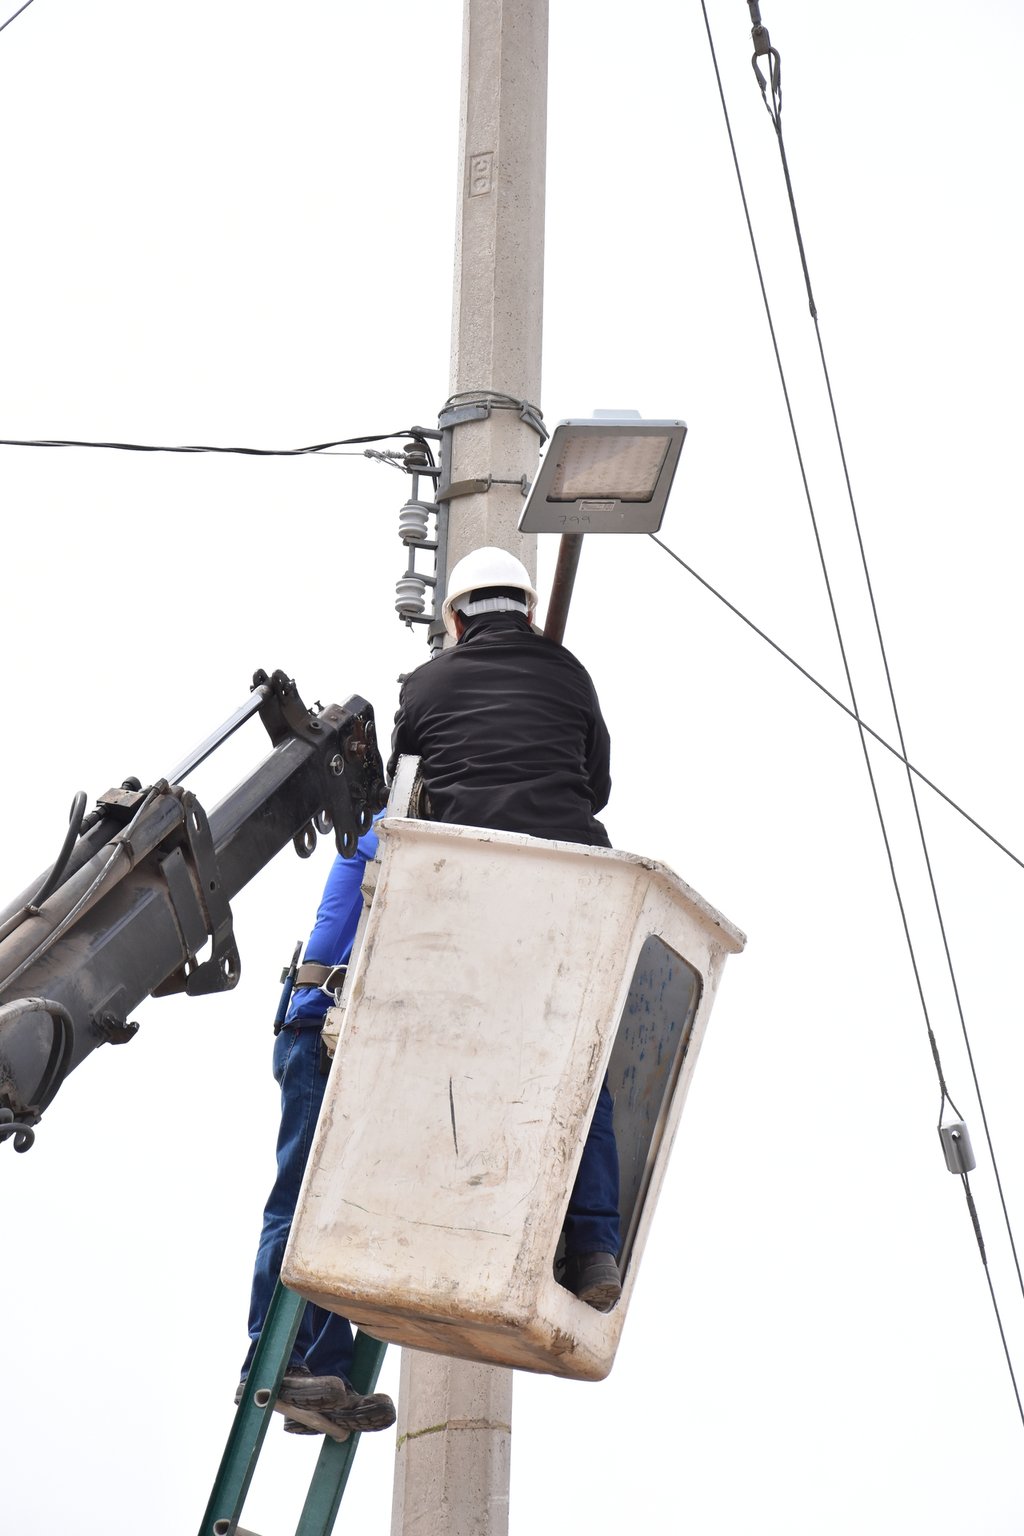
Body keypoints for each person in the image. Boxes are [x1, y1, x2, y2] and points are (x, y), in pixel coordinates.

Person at [388, 545, 622, 1311]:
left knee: (464, 1056)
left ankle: (466, 1219)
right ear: (524, 609)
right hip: (573, 884)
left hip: (470, 893)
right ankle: (593, 1249)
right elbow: (599, 784)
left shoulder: (424, 687)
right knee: (582, 1064)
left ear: (454, 619)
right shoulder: (570, 672)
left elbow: (401, 790)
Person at [237, 820, 396, 1434]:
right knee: (298, 1202)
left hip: (351, 1043)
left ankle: (324, 1378)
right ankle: (268, 1360)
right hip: (318, 1036)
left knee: (342, 1216)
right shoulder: (385, 834)